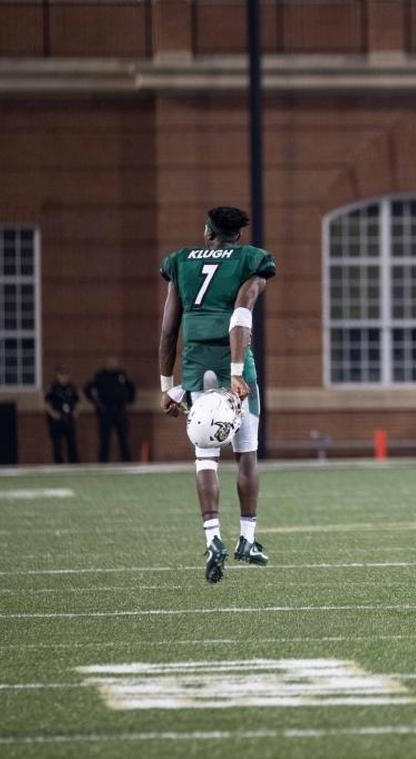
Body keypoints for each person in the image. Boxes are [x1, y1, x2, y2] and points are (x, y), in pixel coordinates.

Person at [158, 205, 276, 583]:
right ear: (237, 236)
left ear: (208, 232)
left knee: (205, 455)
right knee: (246, 455)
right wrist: (238, 372)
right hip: (233, 361)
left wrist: (166, 386)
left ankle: (212, 540)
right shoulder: (250, 261)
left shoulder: (181, 262)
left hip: (195, 365)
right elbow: (242, 313)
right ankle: (247, 539)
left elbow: (167, 330)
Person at [85, 356, 136, 463]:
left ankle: (126, 460)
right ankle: (103, 461)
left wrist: (129, 401)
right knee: (105, 438)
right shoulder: (100, 376)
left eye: (114, 362)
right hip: (106, 411)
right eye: (109, 363)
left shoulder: (121, 375)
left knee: (123, 437)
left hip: (120, 410)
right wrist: (96, 403)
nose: (112, 365)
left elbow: (131, 388)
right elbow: (88, 389)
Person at [43, 364, 79, 464]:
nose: (64, 377)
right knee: (57, 443)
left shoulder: (71, 387)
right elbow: (46, 403)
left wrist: (76, 412)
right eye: (62, 374)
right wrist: (53, 413)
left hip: (69, 417)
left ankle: (73, 463)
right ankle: (59, 463)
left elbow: (77, 401)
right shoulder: (52, 387)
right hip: (57, 419)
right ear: (58, 375)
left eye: (66, 374)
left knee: (72, 442)